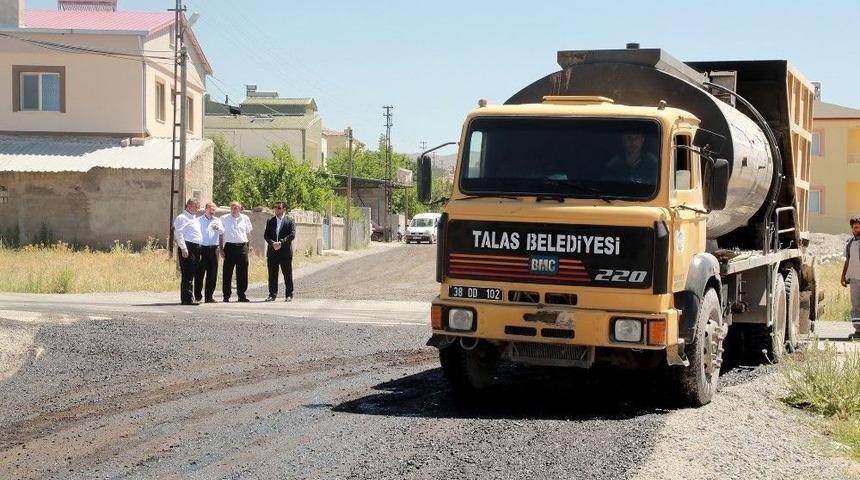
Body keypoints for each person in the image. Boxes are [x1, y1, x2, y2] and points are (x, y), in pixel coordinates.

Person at [220, 201, 253, 302]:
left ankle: (241, 295)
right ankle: (226, 296)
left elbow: (248, 233)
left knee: (242, 272)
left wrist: (249, 246)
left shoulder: (245, 218)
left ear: (240, 208)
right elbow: (220, 235)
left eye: (236, 207)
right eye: (232, 207)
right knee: (227, 272)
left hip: (242, 247)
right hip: (229, 247)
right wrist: (221, 248)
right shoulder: (224, 218)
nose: (234, 209)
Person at [264, 201, 296, 302]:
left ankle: (289, 294)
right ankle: (272, 295)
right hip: (272, 251)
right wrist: (273, 243)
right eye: (275, 207)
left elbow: (292, 235)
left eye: (279, 208)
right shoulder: (270, 221)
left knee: (287, 274)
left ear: (284, 209)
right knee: (272, 274)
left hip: (285, 252)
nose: (276, 209)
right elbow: (266, 235)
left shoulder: (290, 221)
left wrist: (281, 243)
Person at [173, 198, 202, 306]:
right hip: (188, 246)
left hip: (196, 247)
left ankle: (189, 297)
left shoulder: (194, 218)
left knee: (192, 273)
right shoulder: (182, 217)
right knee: (188, 273)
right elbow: (179, 233)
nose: (197, 209)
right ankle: (187, 298)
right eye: (196, 206)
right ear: (189, 206)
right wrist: (183, 248)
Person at [195, 202, 223, 303]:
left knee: (212, 274)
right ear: (206, 209)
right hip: (202, 249)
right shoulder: (198, 220)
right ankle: (198, 296)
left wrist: (217, 228)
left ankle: (209, 296)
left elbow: (222, 232)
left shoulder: (217, 220)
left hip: (213, 249)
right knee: (199, 273)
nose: (212, 211)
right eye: (211, 209)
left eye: (214, 210)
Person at [840, 216, 860, 337]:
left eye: (857, 227)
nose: (855, 230)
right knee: (856, 305)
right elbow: (848, 260)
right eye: (853, 228)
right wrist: (843, 276)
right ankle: (858, 331)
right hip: (854, 279)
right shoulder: (850, 243)